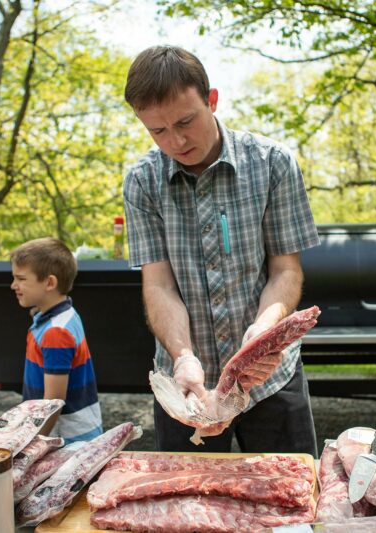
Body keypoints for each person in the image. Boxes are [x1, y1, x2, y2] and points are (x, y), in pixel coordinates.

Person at [122, 45, 320, 456]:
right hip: (184, 387)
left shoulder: (273, 163)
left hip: (270, 380)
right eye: (157, 131)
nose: (175, 140)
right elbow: (158, 285)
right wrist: (182, 357)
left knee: (289, 509)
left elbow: (286, 271)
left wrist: (263, 332)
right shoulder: (141, 182)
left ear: (211, 100)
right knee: (188, 510)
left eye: (185, 121)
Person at [10, 237, 102, 442]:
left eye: (21, 279)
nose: (13, 285)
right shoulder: (64, 314)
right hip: (68, 434)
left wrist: (30, 445)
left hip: (65, 441)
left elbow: (53, 404)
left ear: (50, 283)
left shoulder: (56, 333)